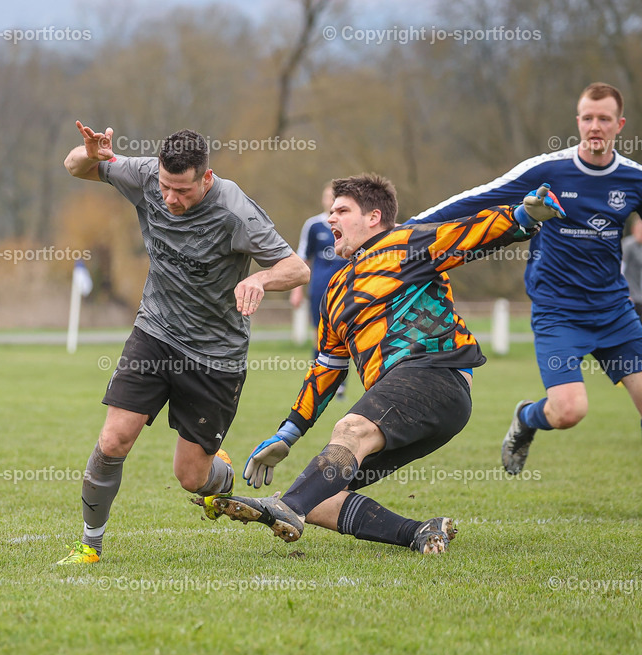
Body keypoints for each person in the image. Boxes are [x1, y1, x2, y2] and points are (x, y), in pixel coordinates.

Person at [212, 173, 566, 554]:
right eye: (330, 211)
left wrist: (521, 218)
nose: (330, 218)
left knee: (350, 429)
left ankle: (285, 508)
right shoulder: (333, 293)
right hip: (410, 403)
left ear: (374, 217)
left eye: (342, 210)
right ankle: (419, 532)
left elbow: (467, 234)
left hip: (435, 375)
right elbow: (326, 369)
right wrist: (289, 432)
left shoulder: (405, 243)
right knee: (320, 497)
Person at [57, 122, 309, 564]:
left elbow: (297, 269)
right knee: (114, 439)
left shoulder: (236, 211)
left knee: (191, 476)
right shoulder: (145, 176)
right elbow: (73, 167)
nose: (171, 199)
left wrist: (261, 277)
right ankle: (89, 546)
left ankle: (221, 475)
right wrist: (92, 154)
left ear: (206, 178)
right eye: (167, 188)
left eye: (183, 191)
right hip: (155, 332)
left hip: (215, 356)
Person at [408, 82, 642, 473]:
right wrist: (410, 227)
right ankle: (527, 419)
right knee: (570, 411)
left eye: (604, 119)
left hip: (615, 311)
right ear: (578, 122)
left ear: (619, 124)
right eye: (588, 118)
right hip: (559, 312)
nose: (595, 126)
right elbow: (481, 196)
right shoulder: (549, 170)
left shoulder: (633, 179)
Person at [291, 182, 349, 398]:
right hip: (319, 290)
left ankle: (341, 384)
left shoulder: (351, 225)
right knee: (320, 335)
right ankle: (319, 381)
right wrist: (297, 290)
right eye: (328, 196)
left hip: (346, 290)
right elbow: (302, 259)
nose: (331, 200)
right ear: (324, 199)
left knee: (345, 335)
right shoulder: (313, 225)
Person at [622, 214, 642, 320]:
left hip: (640, 296)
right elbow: (621, 268)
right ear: (634, 229)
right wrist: (625, 293)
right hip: (631, 297)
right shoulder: (628, 245)